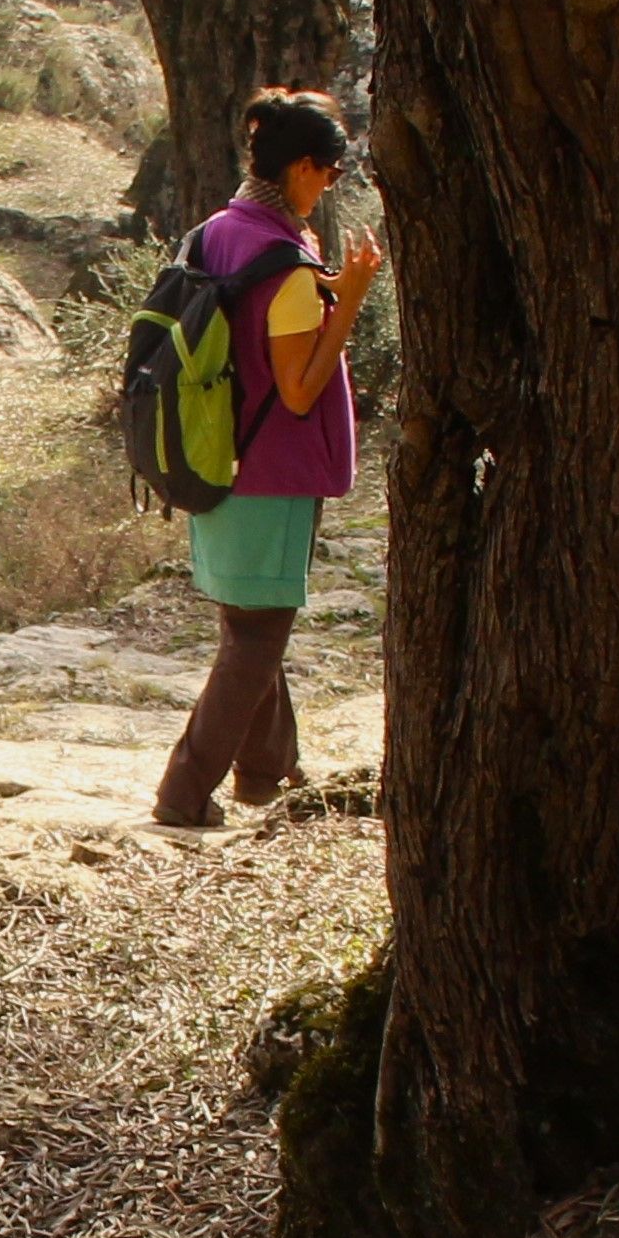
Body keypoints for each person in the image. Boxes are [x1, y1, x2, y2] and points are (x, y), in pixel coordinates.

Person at [154, 88, 384, 831]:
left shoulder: (220, 230)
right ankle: (183, 793)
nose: (332, 187)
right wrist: (347, 299)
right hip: (269, 471)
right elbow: (297, 390)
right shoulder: (285, 263)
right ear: (308, 169)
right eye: (332, 172)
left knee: (255, 624)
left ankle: (265, 773)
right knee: (256, 638)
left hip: (212, 459)